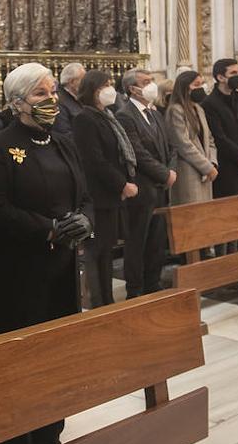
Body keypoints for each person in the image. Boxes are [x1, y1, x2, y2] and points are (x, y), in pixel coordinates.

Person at [0, 63, 91, 444]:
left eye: (53, 91)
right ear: (17, 102)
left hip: (60, 271)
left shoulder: (62, 141)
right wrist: (47, 229)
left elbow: (82, 191)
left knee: (55, 357)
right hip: (18, 275)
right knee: (22, 363)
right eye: (40, 94)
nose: (51, 100)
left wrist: (82, 220)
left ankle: (50, 434)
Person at [71, 70, 136, 307]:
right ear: (93, 90)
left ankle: (107, 300)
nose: (111, 89)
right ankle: (98, 302)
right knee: (95, 251)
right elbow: (94, 160)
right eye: (105, 85)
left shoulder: (105, 115)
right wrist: (121, 183)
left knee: (106, 251)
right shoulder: (84, 119)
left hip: (110, 197)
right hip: (97, 197)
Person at [115, 68, 175, 297]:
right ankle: (135, 288)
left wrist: (171, 170)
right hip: (142, 188)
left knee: (156, 241)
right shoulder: (125, 115)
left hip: (160, 187)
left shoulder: (156, 113)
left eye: (152, 80)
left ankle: (153, 282)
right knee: (137, 241)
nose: (152, 85)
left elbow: (170, 147)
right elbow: (137, 153)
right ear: (132, 88)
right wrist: (164, 174)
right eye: (146, 81)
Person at [201, 58, 238, 199]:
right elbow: (220, 138)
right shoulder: (209, 104)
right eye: (233, 73)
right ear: (220, 77)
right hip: (229, 166)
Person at [164, 71, 218, 205]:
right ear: (185, 87)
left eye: (202, 84)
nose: (200, 88)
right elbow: (183, 144)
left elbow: (209, 138)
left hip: (206, 170)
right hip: (188, 170)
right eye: (196, 85)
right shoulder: (175, 110)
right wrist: (206, 167)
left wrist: (212, 162)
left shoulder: (199, 109)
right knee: (191, 212)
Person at [52, 62, 86, 136]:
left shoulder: (79, 97)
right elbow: (64, 133)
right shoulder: (59, 102)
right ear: (72, 82)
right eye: (83, 80)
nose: (86, 84)